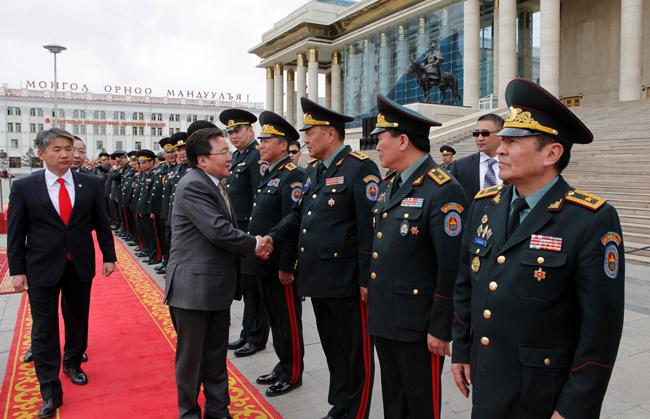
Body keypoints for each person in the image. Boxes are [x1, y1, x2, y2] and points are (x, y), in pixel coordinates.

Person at [451, 78, 625, 419]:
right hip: (487, 384)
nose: (499, 150)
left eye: (513, 141)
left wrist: (574, 408)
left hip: (543, 397)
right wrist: (462, 348)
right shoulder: (484, 205)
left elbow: (600, 331)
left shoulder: (590, 219)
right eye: (502, 140)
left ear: (551, 153)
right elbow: (465, 284)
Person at [266, 97, 378, 419]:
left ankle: (355, 411)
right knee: (333, 347)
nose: (305, 139)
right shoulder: (315, 170)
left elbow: (368, 229)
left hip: (347, 281)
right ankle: (340, 405)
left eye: (310, 132)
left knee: (355, 352)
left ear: (330, 133)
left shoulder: (359, 167)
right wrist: (272, 237)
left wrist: (365, 279)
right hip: (319, 278)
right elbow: (298, 215)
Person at [368, 95, 468, 418]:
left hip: (418, 324)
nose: (376, 145)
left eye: (381, 138)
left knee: (420, 403)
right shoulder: (391, 184)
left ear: (402, 140)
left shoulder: (442, 188)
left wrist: (440, 327)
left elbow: (451, 266)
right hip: (386, 317)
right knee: (394, 401)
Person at [164, 127, 272, 419]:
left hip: (213, 287)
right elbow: (217, 230)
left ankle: (218, 410)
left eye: (228, 151)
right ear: (202, 160)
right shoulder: (193, 184)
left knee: (214, 354)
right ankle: (189, 413)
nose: (229, 157)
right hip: (193, 289)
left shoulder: (213, 182)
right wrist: (255, 244)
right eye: (222, 152)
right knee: (192, 359)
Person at [7, 128, 116, 418]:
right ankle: (50, 390)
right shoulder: (25, 187)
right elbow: (16, 232)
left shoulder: (89, 184)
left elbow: (102, 223)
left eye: (69, 148)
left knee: (77, 318)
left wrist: (109, 256)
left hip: (78, 263)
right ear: (41, 154)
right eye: (57, 149)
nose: (66, 154)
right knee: (44, 328)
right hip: (41, 266)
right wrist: (17, 270)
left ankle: (72, 363)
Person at [244, 111, 305, 397]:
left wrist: (287, 266)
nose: (262, 145)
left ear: (283, 144)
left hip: (279, 265)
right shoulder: (271, 173)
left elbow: (292, 224)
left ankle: (293, 373)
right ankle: (283, 366)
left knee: (288, 321)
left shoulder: (292, 176)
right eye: (261, 140)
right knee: (276, 320)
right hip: (264, 263)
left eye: (267, 140)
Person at [220, 109, 270, 358]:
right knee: (247, 287)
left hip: (251, 231)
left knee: (255, 288)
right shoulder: (238, 156)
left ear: (251, 130)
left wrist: (254, 236)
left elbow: (258, 200)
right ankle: (247, 332)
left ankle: (256, 337)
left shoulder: (255, 157)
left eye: (237, 130)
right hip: (239, 233)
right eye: (230, 132)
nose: (233, 136)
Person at [451, 113, 504, 198]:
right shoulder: (460, 167)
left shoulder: (515, 165)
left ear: (500, 135)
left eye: (485, 133)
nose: (480, 138)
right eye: (476, 134)